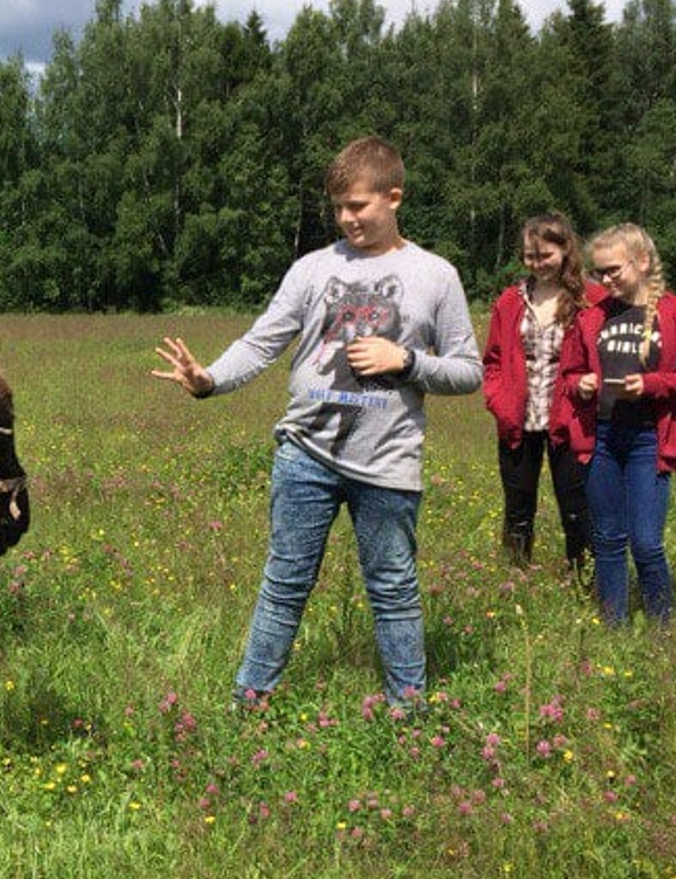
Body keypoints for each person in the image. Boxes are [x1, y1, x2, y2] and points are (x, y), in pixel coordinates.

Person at [151, 136, 481, 710]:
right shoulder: (312, 269)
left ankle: (408, 712)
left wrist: (406, 362)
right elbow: (262, 343)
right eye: (338, 208)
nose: (346, 218)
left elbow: (469, 371)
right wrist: (210, 381)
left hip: (388, 462)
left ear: (394, 197)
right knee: (285, 585)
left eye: (358, 205)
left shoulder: (436, 275)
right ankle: (249, 704)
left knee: (394, 589)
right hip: (305, 454)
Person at [554, 224, 676, 624]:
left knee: (647, 543)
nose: (606, 279)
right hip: (600, 437)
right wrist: (579, 384)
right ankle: (612, 624)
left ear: (643, 262)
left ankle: (661, 628)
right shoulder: (591, 318)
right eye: (600, 272)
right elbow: (567, 375)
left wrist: (651, 385)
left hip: (649, 439)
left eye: (614, 269)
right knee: (607, 539)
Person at [482, 213, 600, 573]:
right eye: (530, 256)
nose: (537, 264)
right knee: (518, 505)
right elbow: (493, 360)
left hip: (571, 417)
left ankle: (583, 579)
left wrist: (593, 381)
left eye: (545, 254)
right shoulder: (510, 300)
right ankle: (516, 576)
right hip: (519, 417)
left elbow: (605, 353)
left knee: (577, 505)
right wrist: (498, 401)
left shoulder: (592, 298)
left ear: (566, 249)